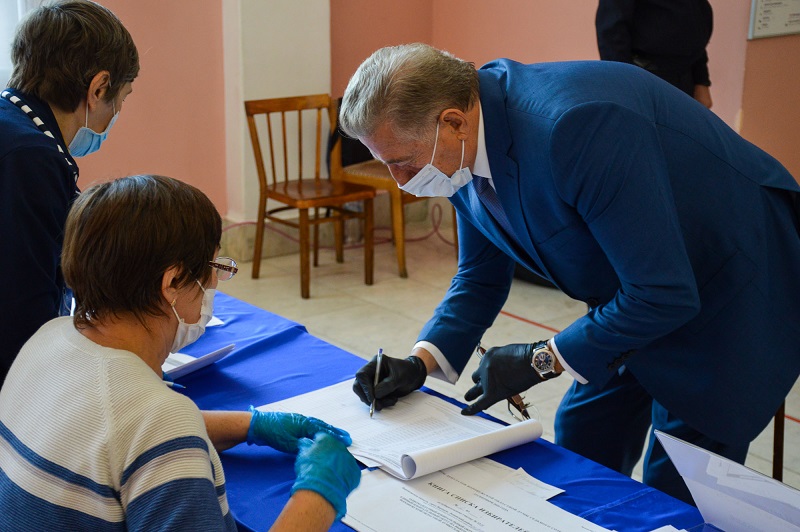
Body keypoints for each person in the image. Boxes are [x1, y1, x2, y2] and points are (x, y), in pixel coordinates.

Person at [340, 43, 800, 504]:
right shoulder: (458, 150)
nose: (400, 181)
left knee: (678, 479)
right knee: (584, 431)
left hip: (730, 283)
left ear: (453, 121)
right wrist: (419, 364)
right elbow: (479, 277)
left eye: (402, 161)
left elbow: (663, 294)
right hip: (637, 285)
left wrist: (542, 357)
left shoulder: (572, 127)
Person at [0, 175, 361, 530]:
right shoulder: (157, 420)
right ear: (172, 282)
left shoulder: (48, 338)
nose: (215, 283)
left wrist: (252, 426)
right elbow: (147, 430)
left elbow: (110, 435)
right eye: (214, 267)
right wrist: (319, 495)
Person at [0, 0, 139, 385]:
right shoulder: (30, 157)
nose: (116, 114)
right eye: (122, 99)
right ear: (98, 88)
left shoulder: (13, 125)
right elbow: (25, 316)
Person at [596, 0, 714, 108]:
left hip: (685, 77)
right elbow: (612, 32)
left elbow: (693, 24)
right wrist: (623, 87)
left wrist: (701, 80)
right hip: (645, 77)